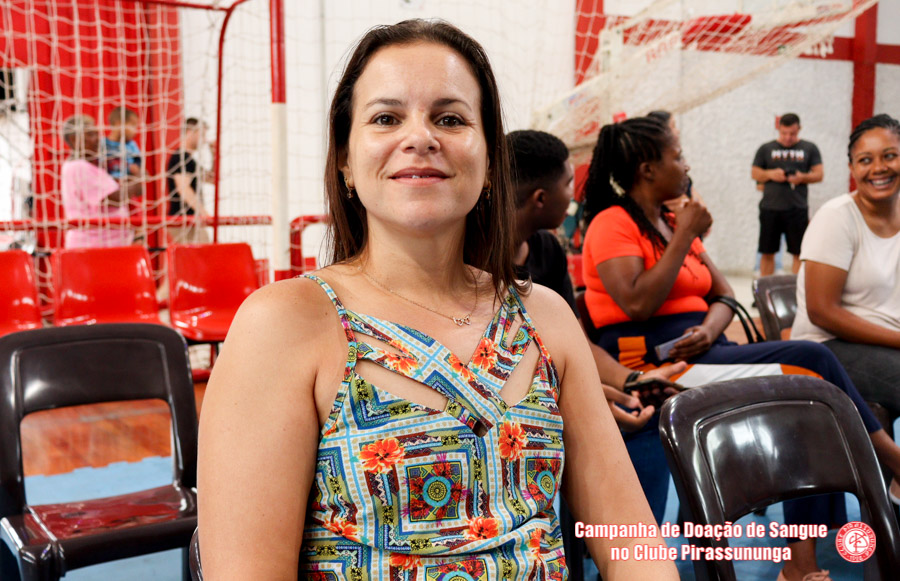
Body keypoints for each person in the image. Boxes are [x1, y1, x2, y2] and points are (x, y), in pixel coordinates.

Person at [198, 20, 677, 580]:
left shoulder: (544, 316)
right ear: (346, 160)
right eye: (386, 118)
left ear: (491, 162)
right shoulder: (285, 324)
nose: (420, 137)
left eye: (450, 119)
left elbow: (631, 542)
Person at [582, 115, 900, 581]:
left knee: (810, 399)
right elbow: (636, 302)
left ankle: (802, 562)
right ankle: (890, 462)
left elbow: (725, 294)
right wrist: (686, 235)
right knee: (811, 366)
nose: (686, 165)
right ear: (648, 169)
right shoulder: (613, 223)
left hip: (703, 348)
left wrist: (710, 329)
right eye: (677, 157)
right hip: (651, 362)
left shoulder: (668, 220)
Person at [508, 128, 684, 433]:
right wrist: (573, 399)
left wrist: (633, 380)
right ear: (541, 198)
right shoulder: (468, 259)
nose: (573, 195)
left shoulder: (548, 250)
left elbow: (579, 343)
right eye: (568, 184)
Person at [793, 113, 900, 436]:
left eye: (890, 156)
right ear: (852, 168)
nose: (879, 168)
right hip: (829, 346)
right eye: (865, 160)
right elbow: (822, 311)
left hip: (886, 342)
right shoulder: (837, 218)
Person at [752, 113, 823, 276]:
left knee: (799, 252)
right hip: (770, 208)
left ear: (799, 129)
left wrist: (801, 177)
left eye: (792, 133)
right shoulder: (766, 148)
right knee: (767, 251)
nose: (788, 137)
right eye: (784, 133)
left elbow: (819, 174)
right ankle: (765, 287)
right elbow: (754, 173)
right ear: (779, 129)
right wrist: (771, 174)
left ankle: (796, 288)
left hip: (797, 209)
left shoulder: (809, 148)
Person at [60, 114, 142, 248]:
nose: (98, 139)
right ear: (74, 139)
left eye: (97, 134)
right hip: (93, 247)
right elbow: (115, 198)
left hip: (105, 245)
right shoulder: (79, 167)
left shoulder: (89, 166)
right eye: (91, 135)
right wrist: (137, 180)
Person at [166, 117, 210, 244]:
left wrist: (214, 153)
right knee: (203, 251)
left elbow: (212, 179)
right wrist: (204, 213)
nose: (204, 140)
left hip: (190, 220)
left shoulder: (190, 160)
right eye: (202, 135)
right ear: (190, 133)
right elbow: (184, 189)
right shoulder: (180, 158)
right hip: (183, 221)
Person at [104, 106, 142, 180]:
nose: (135, 131)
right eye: (133, 126)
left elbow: (138, 162)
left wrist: (137, 168)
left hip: (129, 182)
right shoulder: (103, 144)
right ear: (119, 124)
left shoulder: (131, 145)